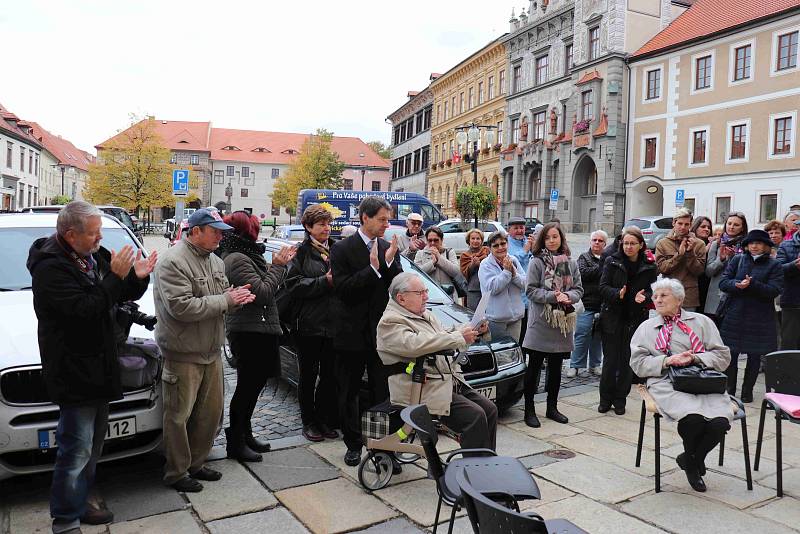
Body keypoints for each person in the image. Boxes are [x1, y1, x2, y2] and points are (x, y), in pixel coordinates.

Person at [28, 201, 155, 533]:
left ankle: (82, 501)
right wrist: (115, 279)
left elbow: (114, 295)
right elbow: (85, 310)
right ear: (71, 235)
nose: (100, 237)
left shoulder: (90, 255)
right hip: (74, 370)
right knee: (75, 449)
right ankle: (66, 519)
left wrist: (136, 278)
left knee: (92, 446)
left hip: (99, 366)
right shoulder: (50, 268)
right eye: (94, 232)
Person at [154, 208, 256, 492]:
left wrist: (237, 299)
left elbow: (220, 298)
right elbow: (181, 307)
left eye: (222, 232)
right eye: (215, 231)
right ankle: (176, 471)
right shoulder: (172, 261)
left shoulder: (215, 261)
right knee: (178, 416)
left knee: (209, 415)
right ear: (195, 231)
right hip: (183, 353)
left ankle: (197, 463)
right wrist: (226, 300)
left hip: (210, 349)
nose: (220, 237)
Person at [630, 278, 733, 493]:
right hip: (666, 382)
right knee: (692, 419)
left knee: (720, 423)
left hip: (703, 380)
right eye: (655, 296)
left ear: (679, 300)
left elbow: (723, 358)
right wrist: (667, 361)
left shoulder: (702, 322)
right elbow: (638, 365)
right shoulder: (646, 328)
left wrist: (695, 358)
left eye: (663, 295)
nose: (657, 300)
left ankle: (691, 459)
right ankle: (693, 470)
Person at [377, 273, 497, 450]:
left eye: (426, 291)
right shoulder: (390, 322)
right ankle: (474, 470)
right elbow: (416, 344)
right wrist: (458, 337)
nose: (426, 297)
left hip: (442, 380)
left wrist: (472, 328)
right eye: (420, 293)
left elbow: (442, 333)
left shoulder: (423, 314)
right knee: (475, 416)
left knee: (490, 409)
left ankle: (486, 462)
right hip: (419, 388)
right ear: (401, 298)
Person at [331, 196, 402, 467]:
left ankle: (383, 448)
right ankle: (353, 444)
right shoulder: (341, 249)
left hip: (381, 333)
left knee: (382, 393)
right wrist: (372, 268)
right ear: (365, 218)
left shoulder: (387, 246)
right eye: (382, 219)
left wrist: (390, 264)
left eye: (388, 219)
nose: (387, 224)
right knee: (348, 391)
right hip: (349, 333)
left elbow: (396, 285)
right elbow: (343, 289)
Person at [218, 211, 296, 461]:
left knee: (254, 386)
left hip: (258, 329)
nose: (259, 229)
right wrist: (278, 267)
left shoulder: (245, 254)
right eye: (256, 226)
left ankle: (246, 434)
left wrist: (276, 270)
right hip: (249, 332)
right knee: (246, 388)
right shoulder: (238, 258)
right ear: (246, 230)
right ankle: (236, 442)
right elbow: (262, 292)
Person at [288, 205, 341, 442]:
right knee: (308, 376)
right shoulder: (300, 253)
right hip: (308, 325)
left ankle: (323, 419)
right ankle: (308, 421)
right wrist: (324, 282)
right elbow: (294, 286)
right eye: (321, 224)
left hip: (334, 325)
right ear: (308, 227)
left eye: (328, 224)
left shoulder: (337, 250)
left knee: (330, 376)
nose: (326, 228)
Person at [522, 223, 583, 427]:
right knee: (534, 368)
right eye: (547, 238)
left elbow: (578, 289)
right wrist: (551, 296)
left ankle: (552, 407)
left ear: (561, 238)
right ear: (543, 240)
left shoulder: (567, 262)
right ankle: (529, 410)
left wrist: (567, 296)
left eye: (555, 237)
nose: (551, 241)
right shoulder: (537, 262)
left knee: (556, 368)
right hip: (542, 322)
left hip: (561, 323)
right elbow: (530, 291)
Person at [598, 227, 657, 414]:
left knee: (627, 361)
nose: (629, 247)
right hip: (612, 317)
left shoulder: (649, 266)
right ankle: (605, 399)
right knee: (610, 361)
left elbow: (653, 291)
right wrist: (617, 294)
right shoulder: (611, 261)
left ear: (641, 245)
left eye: (633, 243)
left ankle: (620, 400)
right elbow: (602, 287)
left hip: (635, 319)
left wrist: (645, 298)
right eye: (626, 243)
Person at [718, 229, 783, 402]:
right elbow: (724, 282)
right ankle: (729, 390)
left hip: (759, 317)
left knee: (754, 355)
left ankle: (747, 391)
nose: (754, 246)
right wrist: (736, 284)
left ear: (766, 246)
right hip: (735, 314)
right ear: (746, 245)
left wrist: (753, 285)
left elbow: (774, 290)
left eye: (759, 243)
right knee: (731, 354)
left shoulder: (774, 265)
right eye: (751, 243)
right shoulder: (738, 259)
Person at [567, 230, 607, 378]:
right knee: (582, 334)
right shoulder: (584, 257)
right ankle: (575, 365)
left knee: (598, 336)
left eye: (600, 240)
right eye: (594, 240)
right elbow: (583, 273)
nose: (597, 242)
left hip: (602, 304)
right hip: (586, 302)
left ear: (605, 243)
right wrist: (602, 267)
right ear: (590, 242)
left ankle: (595, 365)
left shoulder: (608, 258)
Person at [478, 231, 527, 341]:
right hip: (496, 319)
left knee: (513, 352)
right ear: (490, 248)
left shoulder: (513, 260)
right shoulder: (485, 265)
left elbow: (525, 283)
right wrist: (506, 272)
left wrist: (514, 274)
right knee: (500, 354)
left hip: (516, 318)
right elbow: (492, 288)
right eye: (495, 245)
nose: (500, 248)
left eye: (503, 244)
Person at [655, 208, 707, 311]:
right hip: (668, 294)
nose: (683, 227)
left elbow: (699, 271)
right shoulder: (663, 243)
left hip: (689, 296)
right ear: (674, 223)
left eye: (686, 224)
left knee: (687, 326)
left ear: (690, 225)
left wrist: (690, 253)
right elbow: (662, 269)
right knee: (667, 326)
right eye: (680, 223)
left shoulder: (699, 244)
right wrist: (679, 255)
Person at [704, 212, 748, 320]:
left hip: (736, 294)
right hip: (716, 296)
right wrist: (722, 259)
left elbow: (746, 271)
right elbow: (709, 271)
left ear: (742, 228)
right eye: (729, 223)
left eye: (736, 225)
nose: (731, 227)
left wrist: (733, 258)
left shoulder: (747, 245)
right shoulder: (717, 244)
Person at [506, 216, 534, 341]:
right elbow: (511, 261)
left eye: (521, 228)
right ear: (509, 230)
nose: (519, 231)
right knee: (518, 335)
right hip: (516, 297)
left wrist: (535, 247)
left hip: (530, 297)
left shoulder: (526, 242)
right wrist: (526, 250)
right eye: (515, 228)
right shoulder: (506, 243)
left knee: (530, 333)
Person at [414, 226, 460, 294]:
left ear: (441, 240)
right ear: (426, 240)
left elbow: (456, 272)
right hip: (429, 295)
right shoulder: (420, 253)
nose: (432, 243)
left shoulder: (449, 252)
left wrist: (439, 257)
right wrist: (432, 263)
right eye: (430, 240)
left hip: (448, 294)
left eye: (436, 240)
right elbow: (417, 274)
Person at [777, 218, 800, 350]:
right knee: (789, 343)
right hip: (792, 301)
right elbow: (778, 269)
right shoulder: (786, 245)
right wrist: (794, 266)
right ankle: (788, 371)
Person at [459, 228, 489, 310]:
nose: (475, 241)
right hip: (474, 290)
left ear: (481, 240)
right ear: (468, 240)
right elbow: (464, 274)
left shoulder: (487, 251)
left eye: (478, 238)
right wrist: (472, 265)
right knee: (474, 315)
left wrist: (481, 265)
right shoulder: (464, 256)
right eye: (473, 238)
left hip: (488, 287)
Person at [691, 216, 714, 311]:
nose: (706, 229)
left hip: (707, 284)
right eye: (703, 226)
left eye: (708, 227)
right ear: (695, 227)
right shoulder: (690, 242)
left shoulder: (713, 244)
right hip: (694, 282)